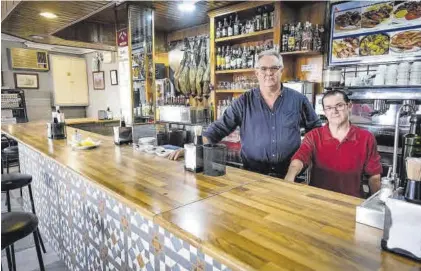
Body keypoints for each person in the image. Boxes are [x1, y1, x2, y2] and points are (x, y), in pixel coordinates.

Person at [169, 50, 321, 178]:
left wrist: (307, 159)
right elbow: (219, 128)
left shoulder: (298, 100)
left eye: (274, 68)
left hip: (289, 175)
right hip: (253, 175)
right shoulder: (243, 101)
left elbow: (315, 132)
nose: (269, 72)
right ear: (256, 73)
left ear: (281, 70)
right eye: (263, 68)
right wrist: (193, 149)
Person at [284, 90, 382, 197]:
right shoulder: (313, 136)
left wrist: (376, 203)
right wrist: (290, 175)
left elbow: (374, 176)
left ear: (349, 106)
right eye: (329, 108)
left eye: (339, 105)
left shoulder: (366, 138)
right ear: (325, 112)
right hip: (319, 200)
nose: (334, 111)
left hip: (351, 201)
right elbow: (300, 158)